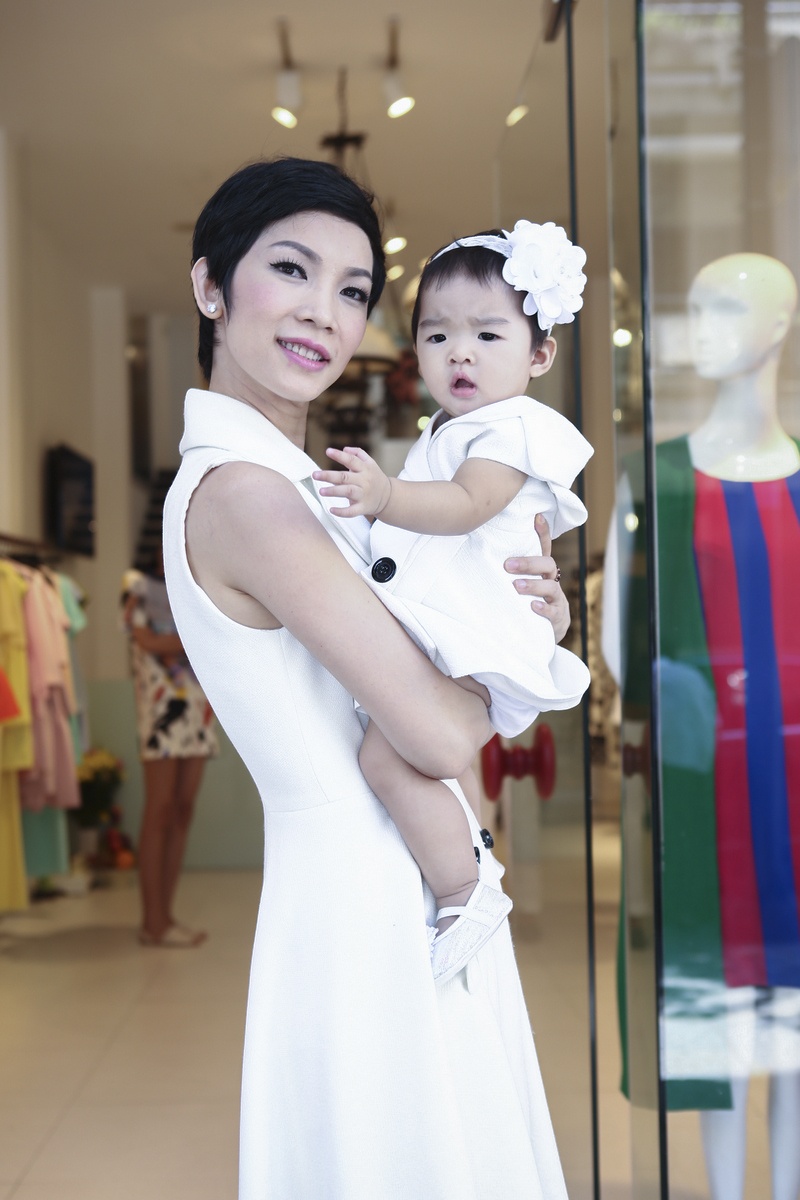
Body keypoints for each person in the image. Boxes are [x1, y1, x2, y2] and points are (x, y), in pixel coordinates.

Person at [162, 156, 573, 1199]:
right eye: (290, 269)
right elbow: (433, 736)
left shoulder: (305, 485)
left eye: (352, 290)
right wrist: (508, 671)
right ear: (210, 286)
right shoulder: (248, 494)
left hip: (399, 877)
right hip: (362, 898)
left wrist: (527, 615)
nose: (323, 312)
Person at [312, 222, 592, 982]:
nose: (460, 353)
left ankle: (465, 890)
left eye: (487, 335)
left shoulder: (514, 429)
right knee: (432, 766)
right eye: (438, 336)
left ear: (539, 355)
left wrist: (383, 496)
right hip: (458, 631)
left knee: (389, 755)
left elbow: (468, 507)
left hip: (480, 635)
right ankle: (473, 861)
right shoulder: (453, 428)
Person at [604, 253, 800, 1200]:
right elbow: (619, 645)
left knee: (796, 1007)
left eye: (727, 307)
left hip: (794, 784)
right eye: (696, 307)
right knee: (714, 998)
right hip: (700, 783)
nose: (703, 326)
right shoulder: (657, 476)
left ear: (780, 327)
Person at [122, 552, 217, 947]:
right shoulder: (137, 587)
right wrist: (190, 637)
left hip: (198, 707)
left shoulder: (193, 587)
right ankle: (153, 921)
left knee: (182, 810)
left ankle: (164, 917)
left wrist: (187, 638)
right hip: (160, 707)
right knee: (160, 808)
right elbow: (146, 641)